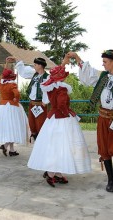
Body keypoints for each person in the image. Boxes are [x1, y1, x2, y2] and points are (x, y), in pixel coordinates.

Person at [27, 56, 91, 187]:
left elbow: (49, 98)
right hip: (62, 119)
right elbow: (62, 105)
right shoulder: (61, 89)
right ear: (61, 78)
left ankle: (58, 173)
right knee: (61, 145)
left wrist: (63, 63)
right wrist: (69, 113)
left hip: (52, 119)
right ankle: (51, 174)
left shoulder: (51, 87)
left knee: (57, 146)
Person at [67, 50, 113, 192]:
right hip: (104, 117)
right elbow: (88, 74)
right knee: (104, 148)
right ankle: (111, 179)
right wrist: (76, 58)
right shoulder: (104, 77)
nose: (103, 64)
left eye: (105, 62)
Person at [9, 57, 49, 142]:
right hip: (32, 103)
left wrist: (45, 102)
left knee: (40, 123)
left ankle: (41, 141)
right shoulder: (34, 74)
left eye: (35, 64)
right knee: (32, 122)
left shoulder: (47, 77)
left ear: (40, 65)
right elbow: (23, 72)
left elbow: (49, 90)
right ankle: (34, 137)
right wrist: (17, 61)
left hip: (40, 104)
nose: (33, 66)